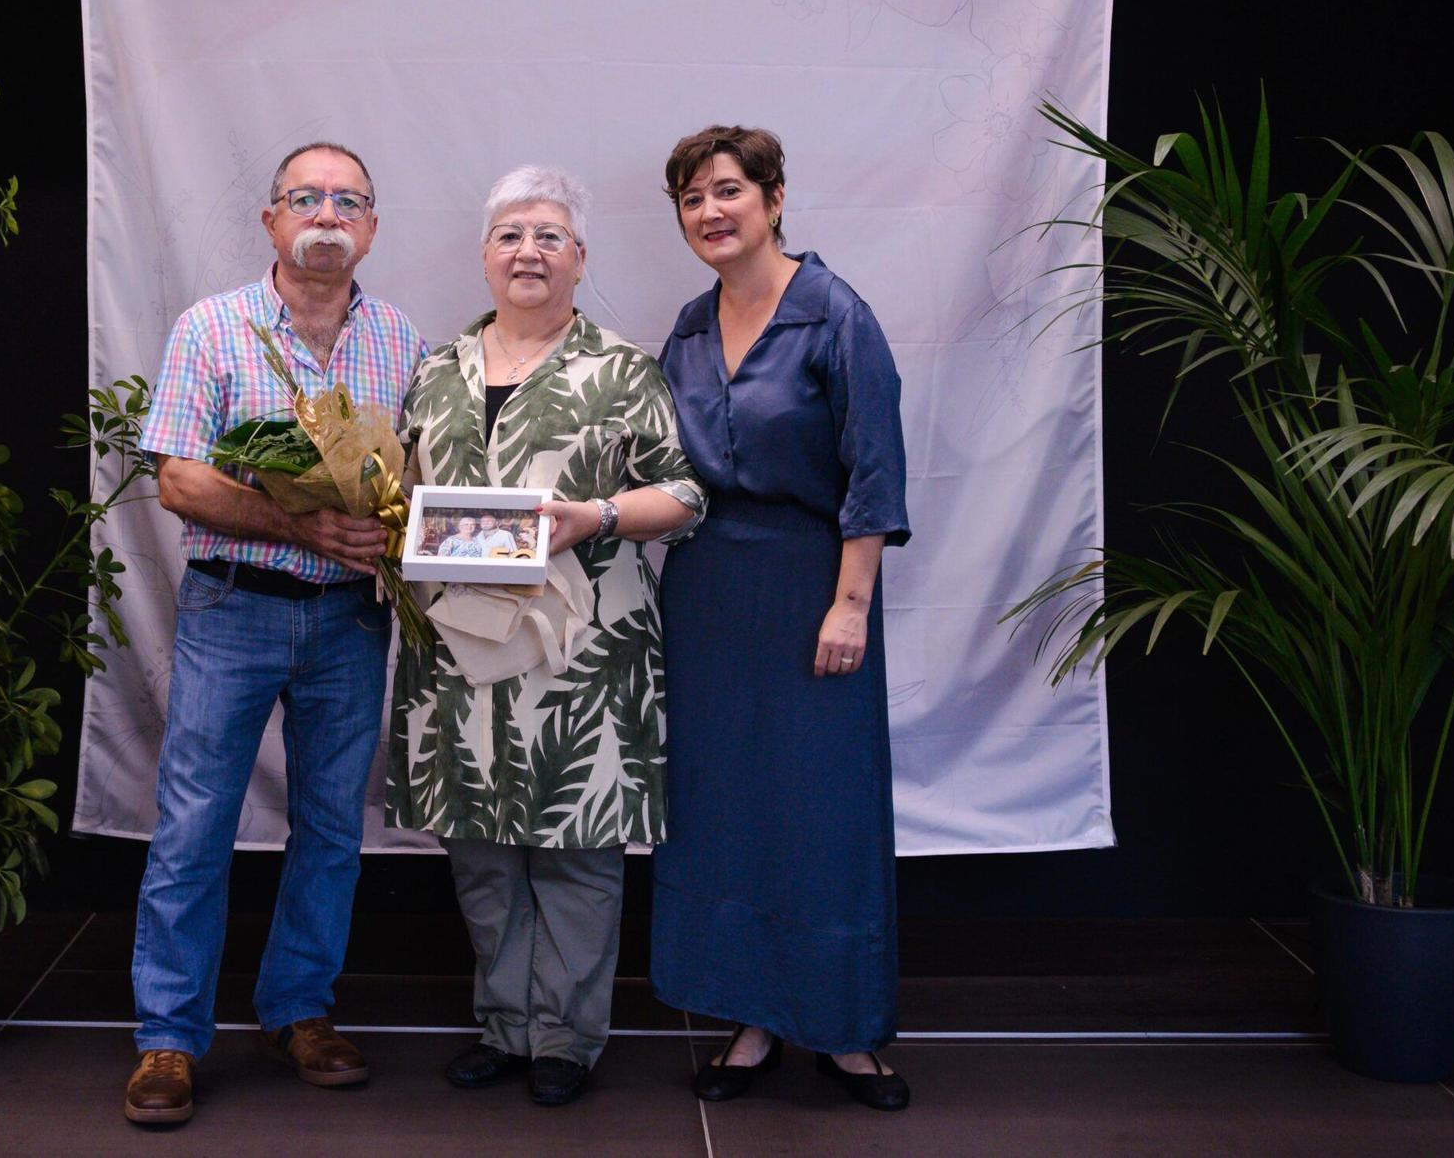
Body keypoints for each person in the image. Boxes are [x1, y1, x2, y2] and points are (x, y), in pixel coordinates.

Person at [387, 165, 705, 1106]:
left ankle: (566, 1037)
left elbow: (685, 495)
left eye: (549, 235)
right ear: (484, 256)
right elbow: (401, 490)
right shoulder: (437, 370)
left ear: (579, 259)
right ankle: (505, 1023)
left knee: (575, 846)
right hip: (458, 647)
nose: (529, 250)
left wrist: (596, 514)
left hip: (585, 651)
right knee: (480, 847)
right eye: (511, 234)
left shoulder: (621, 367)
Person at [124, 142, 425, 1126]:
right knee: (193, 826)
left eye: (348, 201)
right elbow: (175, 479)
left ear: (372, 227)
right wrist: (297, 521)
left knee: (333, 828)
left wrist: (396, 521)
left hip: (349, 619)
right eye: (306, 198)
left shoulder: (403, 344)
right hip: (233, 607)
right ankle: (168, 1038)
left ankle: (299, 1008)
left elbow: (416, 484)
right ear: (271, 221)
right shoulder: (211, 329)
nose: (326, 214)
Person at [648, 125, 913, 1111]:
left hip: (812, 586)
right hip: (706, 589)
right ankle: (748, 1016)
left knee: (819, 809)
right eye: (691, 200)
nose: (710, 213)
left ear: (772, 196)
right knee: (723, 809)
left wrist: (849, 604)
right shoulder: (684, 324)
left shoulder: (835, 315)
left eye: (727, 191)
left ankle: (844, 1032)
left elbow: (873, 474)